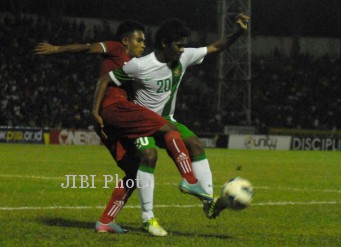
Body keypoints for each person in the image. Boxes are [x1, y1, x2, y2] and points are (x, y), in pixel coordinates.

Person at [34, 20, 212, 237]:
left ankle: (105, 221)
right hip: (116, 110)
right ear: (126, 40)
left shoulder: (136, 64)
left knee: (134, 170)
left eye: (145, 40)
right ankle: (189, 181)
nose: (143, 44)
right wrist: (56, 49)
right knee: (168, 128)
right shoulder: (116, 48)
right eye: (139, 40)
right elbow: (87, 49)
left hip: (115, 121)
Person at [95, 13, 250, 220]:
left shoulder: (183, 57)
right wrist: (99, 111)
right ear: (164, 43)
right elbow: (107, 79)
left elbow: (215, 48)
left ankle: (208, 201)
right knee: (147, 159)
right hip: (142, 123)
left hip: (166, 119)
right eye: (178, 45)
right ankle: (147, 217)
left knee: (195, 144)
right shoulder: (140, 65)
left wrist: (238, 33)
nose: (183, 49)